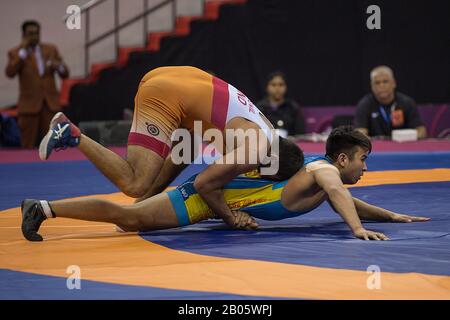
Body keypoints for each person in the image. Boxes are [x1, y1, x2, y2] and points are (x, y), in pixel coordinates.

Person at [21, 126, 429, 242]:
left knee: (133, 207)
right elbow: (341, 195)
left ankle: (51, 198)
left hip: (212, 195)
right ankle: (44, 207)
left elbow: (346, 200)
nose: (364, 168)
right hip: (201, 199)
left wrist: (391, 215)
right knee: (129, 217)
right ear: (342, 159)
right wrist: (357, 231)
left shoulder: (320, 176)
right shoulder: (322, 172)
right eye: (363, 160)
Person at [38, 66, 304, 229]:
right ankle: (71, 134)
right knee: (134, 182)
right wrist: (230, 217)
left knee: (184, 151)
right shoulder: (257, 150)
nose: (255, 175)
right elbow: (204, 184)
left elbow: (190, 154)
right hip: (167, 93)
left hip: (180, 78)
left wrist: (144, 207)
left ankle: (142, 204)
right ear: (270, 166)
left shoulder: (267, 130)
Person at [5, 20, 69, 148]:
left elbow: (65, 73)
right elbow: (10, 72)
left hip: (50, 104)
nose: (34, 36)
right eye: (30, 33)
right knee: (26, 145)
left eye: (36, 33)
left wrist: (59, 66)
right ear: (23, 35)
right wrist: (22, 52)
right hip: (29, 106)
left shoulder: (51, 49)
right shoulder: (16, 53)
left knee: (53, 144)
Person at [354, 65, 426, 139]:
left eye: (385, 81)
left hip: (403, 146)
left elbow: (421, 130)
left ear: (394, 83)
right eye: (377, 83)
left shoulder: (407, 102)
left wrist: (408, 136)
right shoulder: (364, 104)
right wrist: (364, 138)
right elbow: (360, 131)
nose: (381, 85)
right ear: (372, 86)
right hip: (375, 148)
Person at [256, 71, 305, 137]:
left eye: (281, 85)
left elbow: (301, 134)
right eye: (273, 85)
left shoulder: (293, 108)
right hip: (266, 144)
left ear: (286, 87)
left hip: (289, 145)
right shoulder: (259, 108)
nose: (277, 88)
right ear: (267, 87)